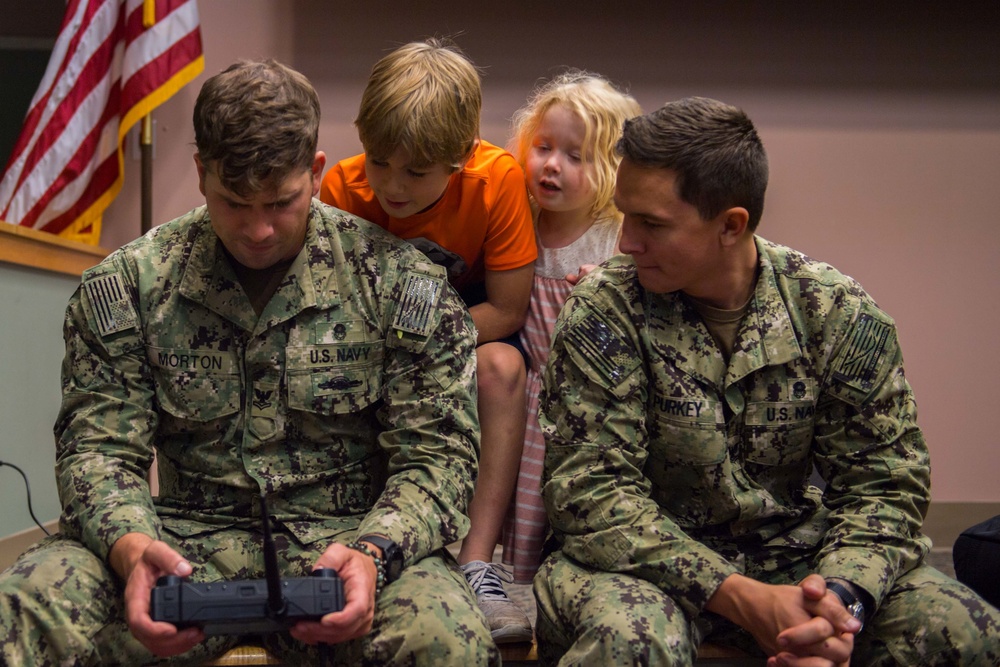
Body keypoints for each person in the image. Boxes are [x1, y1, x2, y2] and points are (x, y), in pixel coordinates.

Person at [0, 59, 498, 666]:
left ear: (315, 173)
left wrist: (377, 550)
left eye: (281, 202)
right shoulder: (132, 284)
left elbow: (438, 457)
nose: (259, 229)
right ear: (201, 173)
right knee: (29, 604)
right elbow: (97, 449)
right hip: (176, 545)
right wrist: (132, 547)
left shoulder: (400, 285)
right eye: (235, 202)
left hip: (343, 548)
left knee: (445, 638)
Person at [532, 96, 1000, 666]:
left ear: (732, 225)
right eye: (624, 215)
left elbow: (883, 482)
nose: (626, 241)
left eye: (651, 223)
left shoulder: (834, 312)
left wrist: (836, 603)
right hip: (643, 566)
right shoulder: (605, 309)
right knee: (630, 640)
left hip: (798, 562)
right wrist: (743, 599)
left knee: (965, 630)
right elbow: (591, 496)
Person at [319, 38, 537, 642]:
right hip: (369, 343)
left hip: (467, 332)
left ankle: (476, 560)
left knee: (503, 367)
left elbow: (509, 308)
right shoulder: (341, 187)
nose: (392, 186)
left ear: (461, 156)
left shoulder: (498, 181)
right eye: (379, 161)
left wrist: (430, 345)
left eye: (416, 172)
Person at [499, 71, 641, 587]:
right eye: (542, 147)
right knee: (520, 494)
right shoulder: (520, 218)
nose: (552, 165)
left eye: (576, 156)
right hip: (527, 393)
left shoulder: (614, 237)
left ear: (610, 168)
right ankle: (514, 582)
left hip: (589, 403)